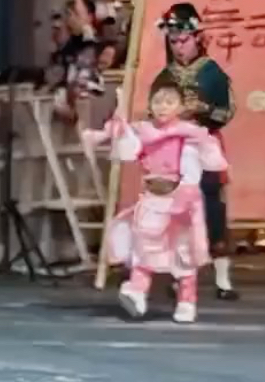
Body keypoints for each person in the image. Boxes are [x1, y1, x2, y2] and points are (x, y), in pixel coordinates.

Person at [83, 76, 228, 323]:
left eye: (169, 102)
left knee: (183, 253)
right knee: (144, 246)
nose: (163, 107)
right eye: (158, 102)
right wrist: (119, 123)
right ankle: (137, 292)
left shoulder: (190, 134)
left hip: (182, 201)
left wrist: (186, 193)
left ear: (180, 107)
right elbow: (127, 148)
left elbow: (203, 165)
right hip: (154, 198)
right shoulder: (144, 131)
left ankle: (186, 301)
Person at [154, 2, 237, 299]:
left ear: (196, 38)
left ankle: (223, 281)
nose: (179, 47)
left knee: (213, 208)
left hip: (205, 146)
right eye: (173, 42)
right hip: (175, 152)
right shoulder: (165, 76)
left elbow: (227, 111)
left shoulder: (212, 73)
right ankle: (180, 277)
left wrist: (203, 110)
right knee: (177, 213)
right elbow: (154, 113)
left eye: (184, 40)